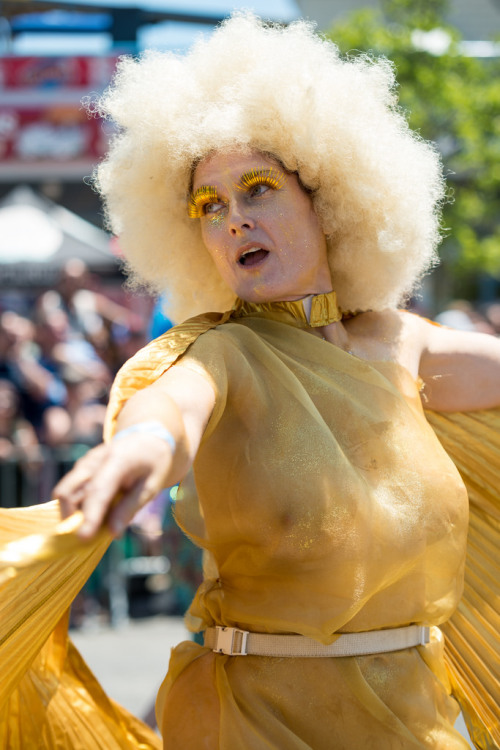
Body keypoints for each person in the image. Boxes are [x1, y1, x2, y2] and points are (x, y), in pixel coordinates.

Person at [1, 13, 499, 750]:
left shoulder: (405, 346)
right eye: (210, 206)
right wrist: (140, 445)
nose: (234, 219)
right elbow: (176, 404)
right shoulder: (220, 354)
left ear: (327, 198)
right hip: (257, 725)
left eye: (258, 188)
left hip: (418, 727)